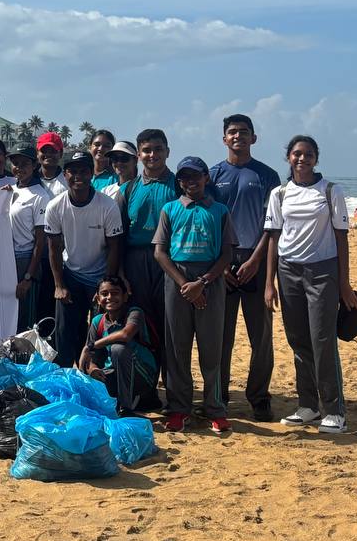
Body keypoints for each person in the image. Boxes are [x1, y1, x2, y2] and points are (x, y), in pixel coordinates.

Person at [264, 135, 357, 435]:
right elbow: (273, 238)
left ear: (317, 158)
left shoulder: (330, 191)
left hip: (322, 270)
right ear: (288, 157)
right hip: (287, 270)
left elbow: (341, 237)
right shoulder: (279, 193)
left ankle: (334, 411)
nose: (302, 159)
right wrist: (269, 282)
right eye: (296, 154)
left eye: (308, 154)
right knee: (298, 339)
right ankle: (308, 406)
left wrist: (344, 283)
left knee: (322, 339)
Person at [153, 156, 237, 434]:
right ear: (179, 182)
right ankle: (179, 408)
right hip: (176, 281)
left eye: (195, 176)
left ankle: (214, 408)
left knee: (211, 348)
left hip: (210, 281)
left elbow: (227, 253)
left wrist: (202, 282)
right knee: (177, 349)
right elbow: (160, 252)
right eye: (184, 178)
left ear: (206, 178)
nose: (190, 182)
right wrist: (184, 285)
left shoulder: (220, 211)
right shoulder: (170, 209)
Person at [209, 114, 281, 422]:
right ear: (224, 138)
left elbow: (273, 224)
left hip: (256, 259)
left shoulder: (267, 176)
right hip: (222, 261)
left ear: (254, 138)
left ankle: (259, 397)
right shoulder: (212, 175)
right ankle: (219, 396)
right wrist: (220, 264)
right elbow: (208, 222)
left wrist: (255, 262)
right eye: (232, 132)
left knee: (261, 336)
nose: (238, 136)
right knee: (219, 336)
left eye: (244, 132)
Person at [43, 150, 124, 370]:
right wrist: (59, 285)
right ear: (65, 174)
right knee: (65, 332)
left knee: (99, 333)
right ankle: (67, 377)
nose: (78, 176)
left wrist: (107, 285)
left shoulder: (107, 206)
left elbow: (114, 247)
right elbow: (54, 248)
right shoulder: (55, 206)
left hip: (100, 275)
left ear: (91, 174)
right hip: (71, 274)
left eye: (83, 171)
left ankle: (98, 376)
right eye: (72, 171)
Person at [113, 128, 179, 372]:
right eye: (147, 150)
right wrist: (120, 271)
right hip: (135, 261)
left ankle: (173, 385)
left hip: (170, 260)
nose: (153, 155)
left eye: (158, 149)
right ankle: (147, 384)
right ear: (139, 155)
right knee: (142, 323)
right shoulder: (127, 190)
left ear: (167, 151)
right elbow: (117, 237)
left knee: (171, 324)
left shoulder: (179, 186)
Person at [78, 275, 159, 416]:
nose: (109, 297)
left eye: (115, 293)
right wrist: (93, 369)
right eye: (104, 294)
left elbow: (125, 335)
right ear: (98, 299)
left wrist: (90, 345)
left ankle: (126, 408)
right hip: (115, 373)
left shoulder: (134, 313)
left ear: (125, 296)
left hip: (142, 374)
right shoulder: (98, 321)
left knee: (118, 348)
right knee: (87, 384)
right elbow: (91, 358)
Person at [7, 147, 50, 332]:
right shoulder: (9, 190)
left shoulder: (40, 196)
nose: (19, 167)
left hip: (26, 261)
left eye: (25, 163)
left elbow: (40, 242)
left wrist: (28, 277)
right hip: (7, 258)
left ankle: (23, 359)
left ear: (34, 165)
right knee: (9, 316)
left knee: (25, 320)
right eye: (16, 163)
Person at [36, 132, 68, 198]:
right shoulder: (29, 179)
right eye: (44, 150)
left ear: (61, 153)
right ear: (37, 153)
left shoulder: (68, 181)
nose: (48, 154)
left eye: (53, 151)